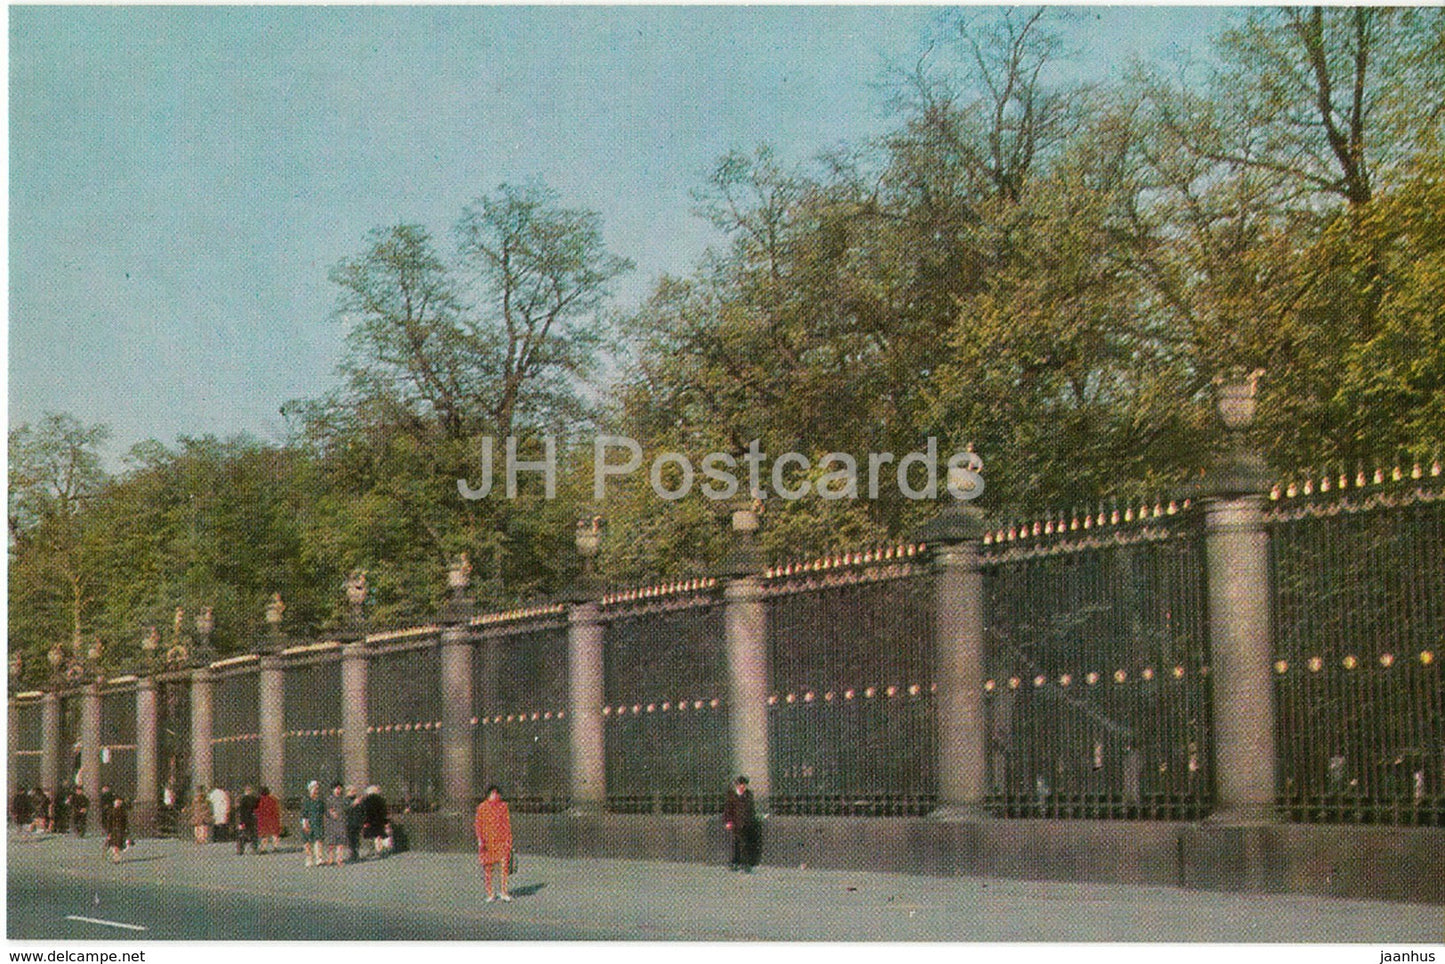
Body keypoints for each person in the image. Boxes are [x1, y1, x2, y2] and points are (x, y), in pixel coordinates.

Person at [474, 785, 513, 902]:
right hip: (487, 842)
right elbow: (478, 824)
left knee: (504, 867)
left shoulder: (503, 806)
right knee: (488, 868)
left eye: (497, 793)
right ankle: (490, 893)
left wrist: (509, 841)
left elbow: (507, 824)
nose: (495, 795)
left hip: (501, 841)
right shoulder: (482, 807)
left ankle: (504, 892)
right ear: (488, 794)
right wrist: (480, 840)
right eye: (492, 793)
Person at [723, 775, 760, 873]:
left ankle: (745, 864)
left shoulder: (748, 794)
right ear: (737, 786)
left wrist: (751, 820)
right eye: (740, 785)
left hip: (746, 823)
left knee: (745, 844)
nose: (742, 787)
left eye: (744, 785)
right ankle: (735, 862)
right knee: (736, 844)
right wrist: (728, 821)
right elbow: (728, 810)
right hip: (735, 823)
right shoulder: (731, 795)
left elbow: (751, 809)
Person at [299, 780, 326, 867]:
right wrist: (304, 823)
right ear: (310, 789)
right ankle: (309, 858)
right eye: (314, 788)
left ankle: (319, 858)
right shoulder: (306, 800)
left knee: (319, 840)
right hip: (308, 822)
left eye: (317, 788)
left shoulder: (320, 800)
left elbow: (324, 812)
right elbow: (303, 813)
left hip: (318, 822)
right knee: (307, 843)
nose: (315, 790)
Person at [359, 785, 389, 858]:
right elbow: (384, 812)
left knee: (370, 837)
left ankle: (371, 852)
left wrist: (364, 822)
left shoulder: (366, 800)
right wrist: (385, 822)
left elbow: (364, 812)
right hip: (379, 821)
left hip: (369, 821)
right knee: (378, 837)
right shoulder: (381, 800)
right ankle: (379, 851)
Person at [323, 783, 349, 867]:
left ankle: (339, 859)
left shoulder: (343, 799)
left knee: (340, 842)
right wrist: (331, 813)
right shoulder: (329, 799)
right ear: (333, 789)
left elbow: (346, 808)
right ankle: (330, 859)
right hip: (331, 823)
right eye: (336, 788)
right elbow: (326, 809)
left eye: (339, 789)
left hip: (341, 822)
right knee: (331, 843)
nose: (338, 790)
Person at [234, 785, 260, 855]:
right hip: (251, 818)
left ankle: (240, 850)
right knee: (253, 834)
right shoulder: (255, 799)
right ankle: (254, 849)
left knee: (242, 835)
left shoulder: (241, 799)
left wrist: (240, 821)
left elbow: (239, 810)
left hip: (244, 818)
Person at [255, 786, 282, 853]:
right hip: (273, 818)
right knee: (275, 834)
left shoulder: (259, 800)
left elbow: (256, 810)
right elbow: (277, 809)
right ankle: (275, 847)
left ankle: (263, 848)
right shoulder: (273, 799)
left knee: (264, 834)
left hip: (263, 819)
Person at [104, 796, 128, 863]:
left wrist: (126, 830)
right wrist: (109, 832)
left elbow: (125, 822)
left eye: (119, 802)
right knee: (115, 844)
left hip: (120, 829)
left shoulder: (123, 811)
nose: (118, 804)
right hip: (113, 829)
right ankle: (116, 857)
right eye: (117, 802)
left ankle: (116, 856)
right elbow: (109, 822)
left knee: (118, 844)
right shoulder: (111, 811)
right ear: (114, 803)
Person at [344, 785, 363, 862]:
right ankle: (351, 854)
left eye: (355, 791)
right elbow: (345, 809)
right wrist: (353, 804)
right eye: (352, 791)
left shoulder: (357, 800)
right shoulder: (345, 800)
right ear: (348, 792)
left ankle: (356, 854)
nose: (354, 793)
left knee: (356, 838)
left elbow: (361, 811)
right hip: (349, 822)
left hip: (357, 822)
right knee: (350, 839)